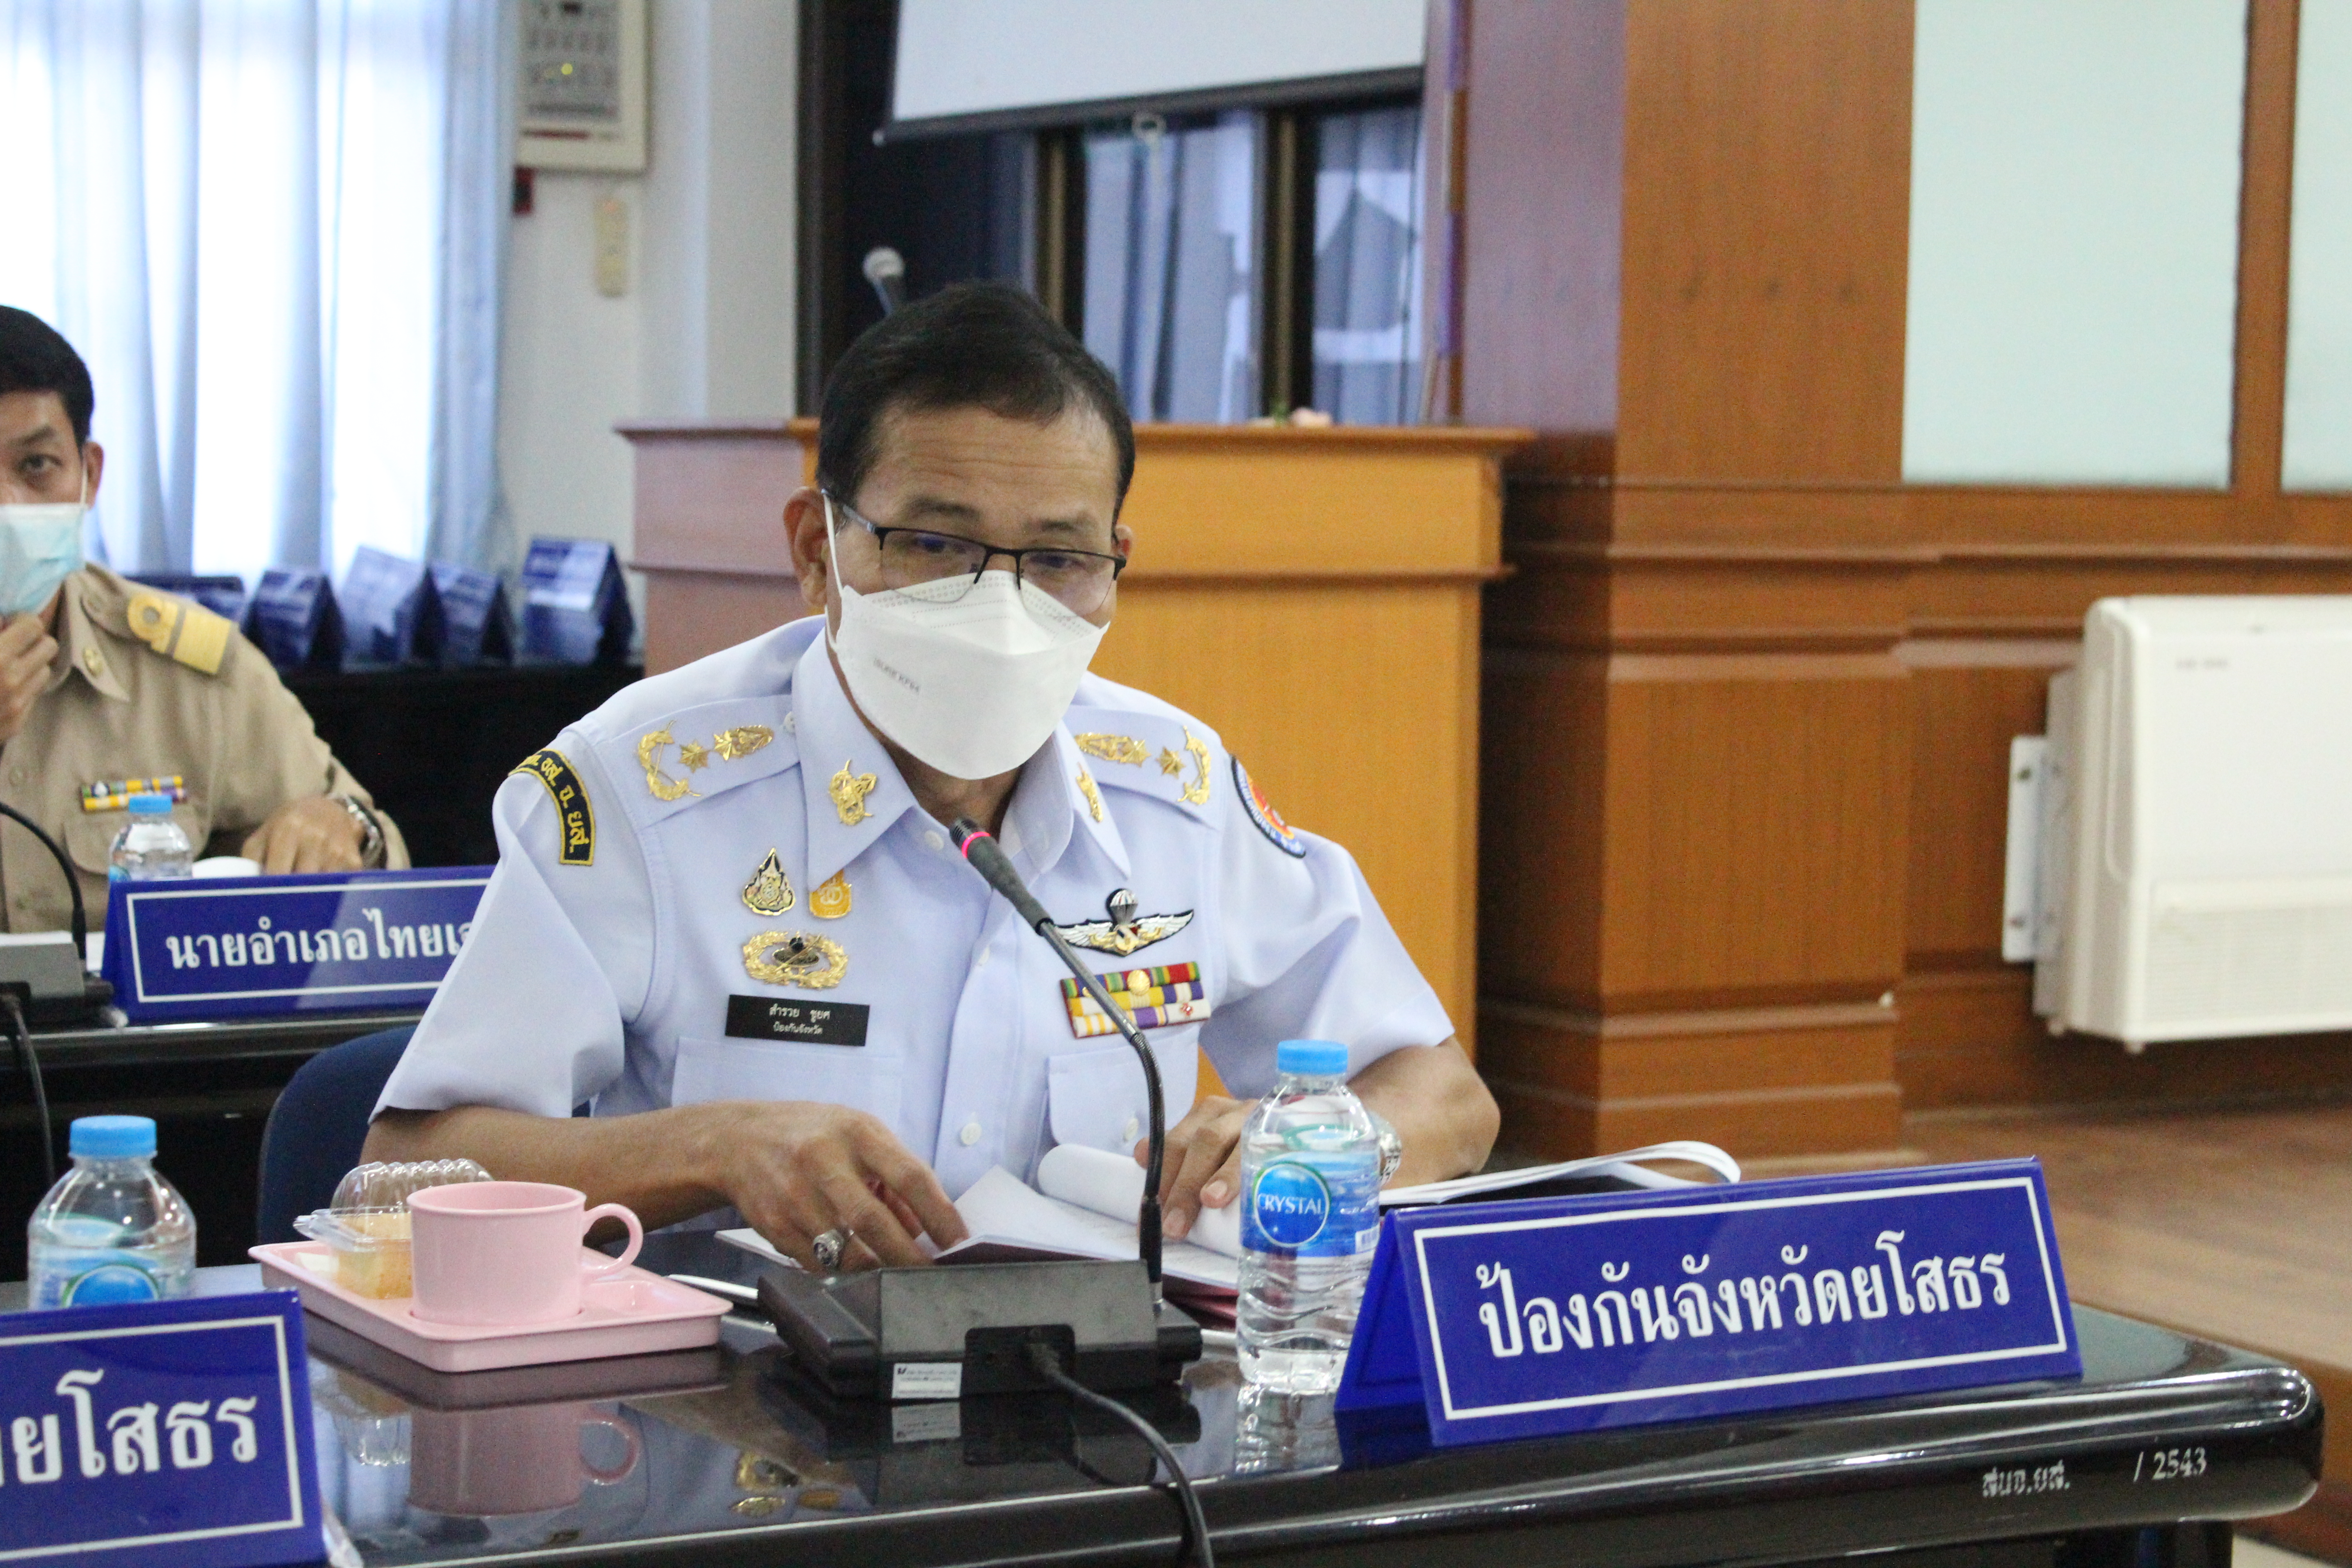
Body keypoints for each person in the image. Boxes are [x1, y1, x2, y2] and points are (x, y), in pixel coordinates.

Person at [367, 283, 1497, 1270]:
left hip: (1097, 1406)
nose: (999, 608)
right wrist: (710, 1148)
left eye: (1057, 558)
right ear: (817, 550)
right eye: (936, 546)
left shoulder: (1177, 794)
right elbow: (398, 1171)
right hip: (727, 1410)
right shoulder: (640, 793)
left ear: (1115, 569)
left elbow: (1445, 1095)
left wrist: (1328, 1141)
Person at [0, 306, 407, 931]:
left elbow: (375, 852)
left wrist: (341, 826)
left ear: (89, 476)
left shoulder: (187, 670)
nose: (7, 504)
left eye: (35, 466)